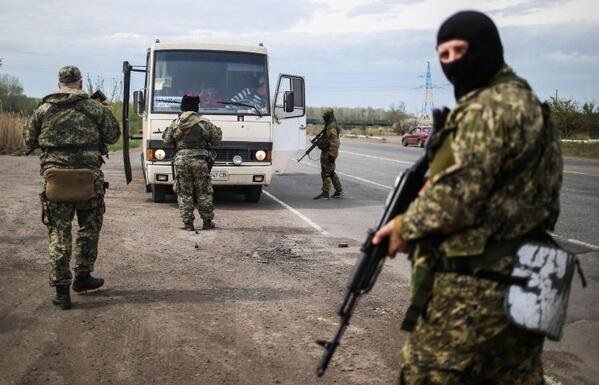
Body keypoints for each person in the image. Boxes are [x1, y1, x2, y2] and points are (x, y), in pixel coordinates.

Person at [372, 11, 563, 384]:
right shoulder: (530, 105)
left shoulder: (485, 109)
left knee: (429, 374)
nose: (453, 62)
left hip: (474, 292)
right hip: (529, 282)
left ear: (488, 48)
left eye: (460, 50)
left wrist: (405, 226)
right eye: (443, 55)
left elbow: (456, 199)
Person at [24, 65, 121, 310]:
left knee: (59, 232)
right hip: (88, 178)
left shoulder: (44, 108)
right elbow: (113, 136)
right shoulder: (93, 107)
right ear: (79, 83)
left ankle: (61, 291)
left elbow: (28, 139)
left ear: (59, 84)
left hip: (56, 178)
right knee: (89, 228)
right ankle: (83, 277)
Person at [162, 94, 223, 231]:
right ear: (197, 106)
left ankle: (188, 223)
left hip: (181, 161)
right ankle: (207, 222)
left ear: (182, 106)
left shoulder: (176, 123)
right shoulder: (203, 123)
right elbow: (217, 139)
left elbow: (166, 140)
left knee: (184, 192)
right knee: (204, 192)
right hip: (199, 161)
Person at [313, 108, 343, 199]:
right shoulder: (329, 125)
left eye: (325, 117)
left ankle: (325, 193)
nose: (324, 118)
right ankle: (339, 191)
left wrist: (332, 155)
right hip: (328, 151)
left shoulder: (331, 126)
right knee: (331, 172)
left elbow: (334, 142)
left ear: (329, 116)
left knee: (326, 173)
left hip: (330, 152)